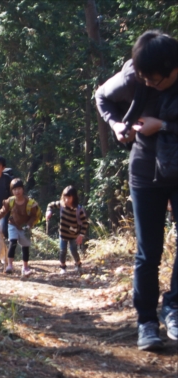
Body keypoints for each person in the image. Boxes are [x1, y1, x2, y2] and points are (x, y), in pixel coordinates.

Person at [96, 30, 178, 351]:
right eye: (144, 79)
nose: (149, 84)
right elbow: (102, 96)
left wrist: (165, 125)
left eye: (155, 80)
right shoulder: (135, 76)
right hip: (145, 169)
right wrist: (117, 125)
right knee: (149, 251)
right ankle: (146, 320)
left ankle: (173, 307)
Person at [0, 178, 39, 276]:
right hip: (12, 225)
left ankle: (25, 267)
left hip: (25, 227)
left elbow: (34, 216)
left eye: (19, 189)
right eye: (14, 189)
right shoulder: (10, 201)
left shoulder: (30, 202)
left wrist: (29, 225)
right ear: (12, 191)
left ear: (23, 189)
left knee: (25, 247)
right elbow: (3, 211)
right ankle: (10, 265)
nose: (17, 191)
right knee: (13, 243)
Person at [45, 186, 89, 274]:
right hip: (63, 234)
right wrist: (48, 211)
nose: (66, 200)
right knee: (62, 250)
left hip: (74, 235)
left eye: (69, 197)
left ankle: (78, 263)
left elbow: (85, 223)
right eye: (65, 197)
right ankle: (63, 267)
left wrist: (81, 235)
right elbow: (50, 205)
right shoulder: (61, 204)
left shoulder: (78, 209)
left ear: (74, 197)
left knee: (73, 250)